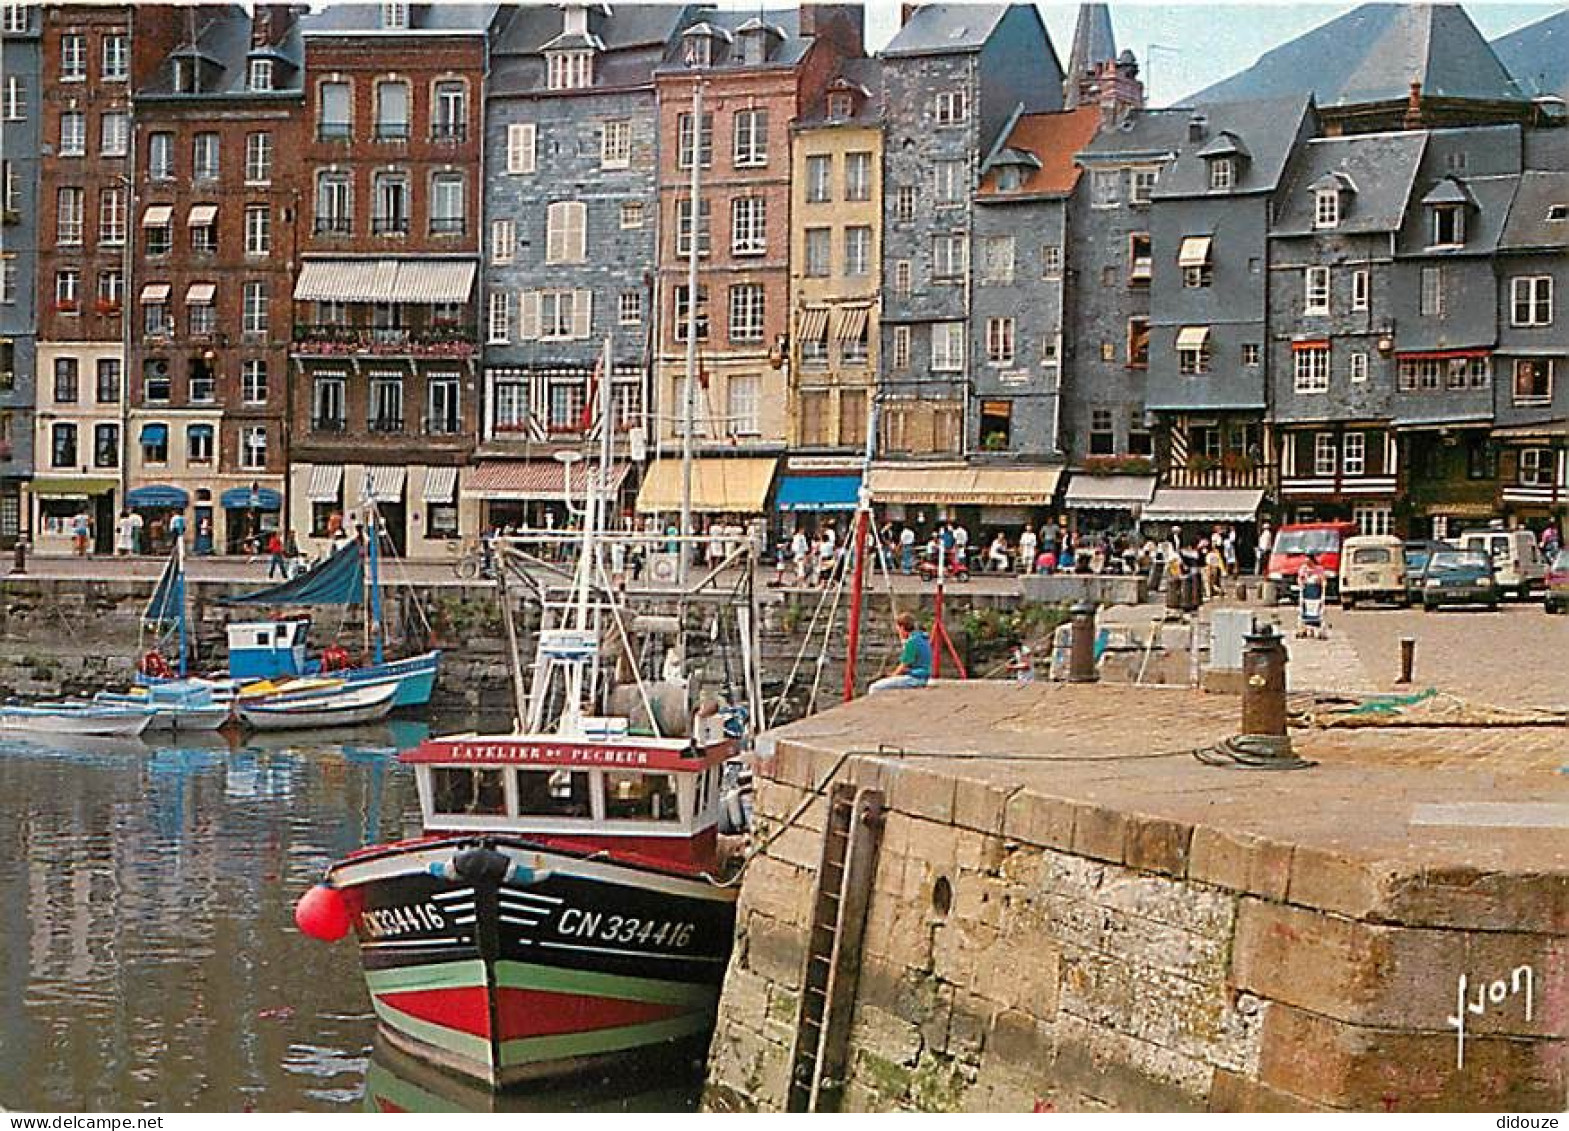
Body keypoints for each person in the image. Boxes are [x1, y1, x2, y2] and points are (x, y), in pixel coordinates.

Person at [869, 612, 932, 693]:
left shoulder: (911, 642)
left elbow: (904, 665)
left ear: (902, 628)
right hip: (923, 676)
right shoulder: (922, 637)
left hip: (915, 678)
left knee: (874, 687)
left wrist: (892, 676)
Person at [1297, 552, 1327, 638]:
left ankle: (1317, 628)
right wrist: (1302, 583)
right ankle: (1304, 628)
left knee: (1317, 610)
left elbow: (1323, 581)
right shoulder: (1303, 569)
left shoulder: (1319, 569)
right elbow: (1300, 579)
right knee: (1304, 609)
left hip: (1316, 592)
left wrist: (1323, 593)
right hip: (1306, 592)